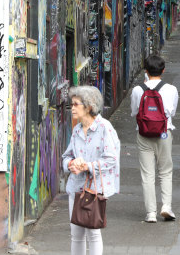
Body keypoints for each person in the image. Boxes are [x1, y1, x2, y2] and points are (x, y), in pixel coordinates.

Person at [62, 86, 120, 255]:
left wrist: (87, 166)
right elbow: (66, 157)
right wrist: (71, 164)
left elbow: (111, 159)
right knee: (76, 233)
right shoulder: (77, 130)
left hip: (95, 188)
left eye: (75, 104)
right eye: (71, 104)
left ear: (88, 106)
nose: (72, 108)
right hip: (76, 187)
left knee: (93, 232)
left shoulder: (104, 128)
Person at [130, 55, 180, 223]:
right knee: (165, 171)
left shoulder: (138, 90)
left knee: (147, 174)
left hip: (143, 134)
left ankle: (151, 213)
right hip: (164, 133)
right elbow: (171, 113)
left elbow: (134, 112)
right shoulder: (171, 89)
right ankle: (166, 206)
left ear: (146, 71)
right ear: (163, 70)